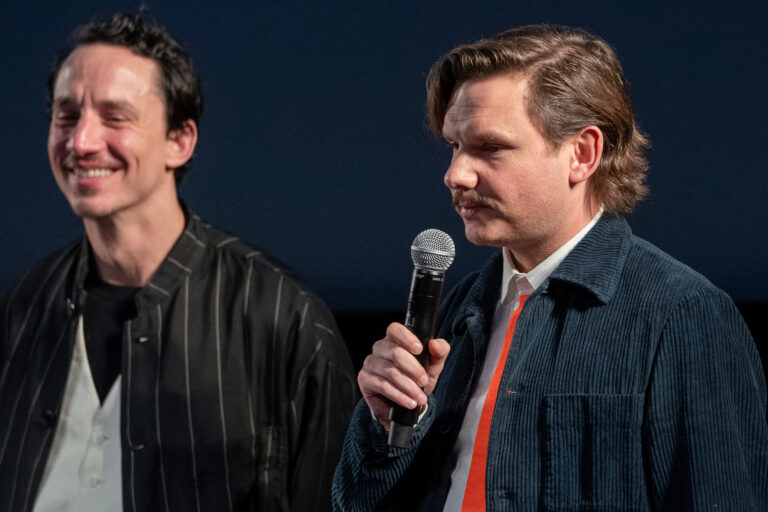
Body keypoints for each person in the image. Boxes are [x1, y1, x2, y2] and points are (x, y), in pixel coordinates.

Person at [333, 24, 768, 511]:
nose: (455, 174)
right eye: (455, 146)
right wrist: (383, 426)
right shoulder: (459, 309)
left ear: (582, 154)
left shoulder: (683, 315)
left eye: (490, 148)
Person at [0, 13, 357, 512]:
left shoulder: (285, 320)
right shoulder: (20, 307)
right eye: (66, 115)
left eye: (115, 116)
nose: (80, 142)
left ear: (180, 141)